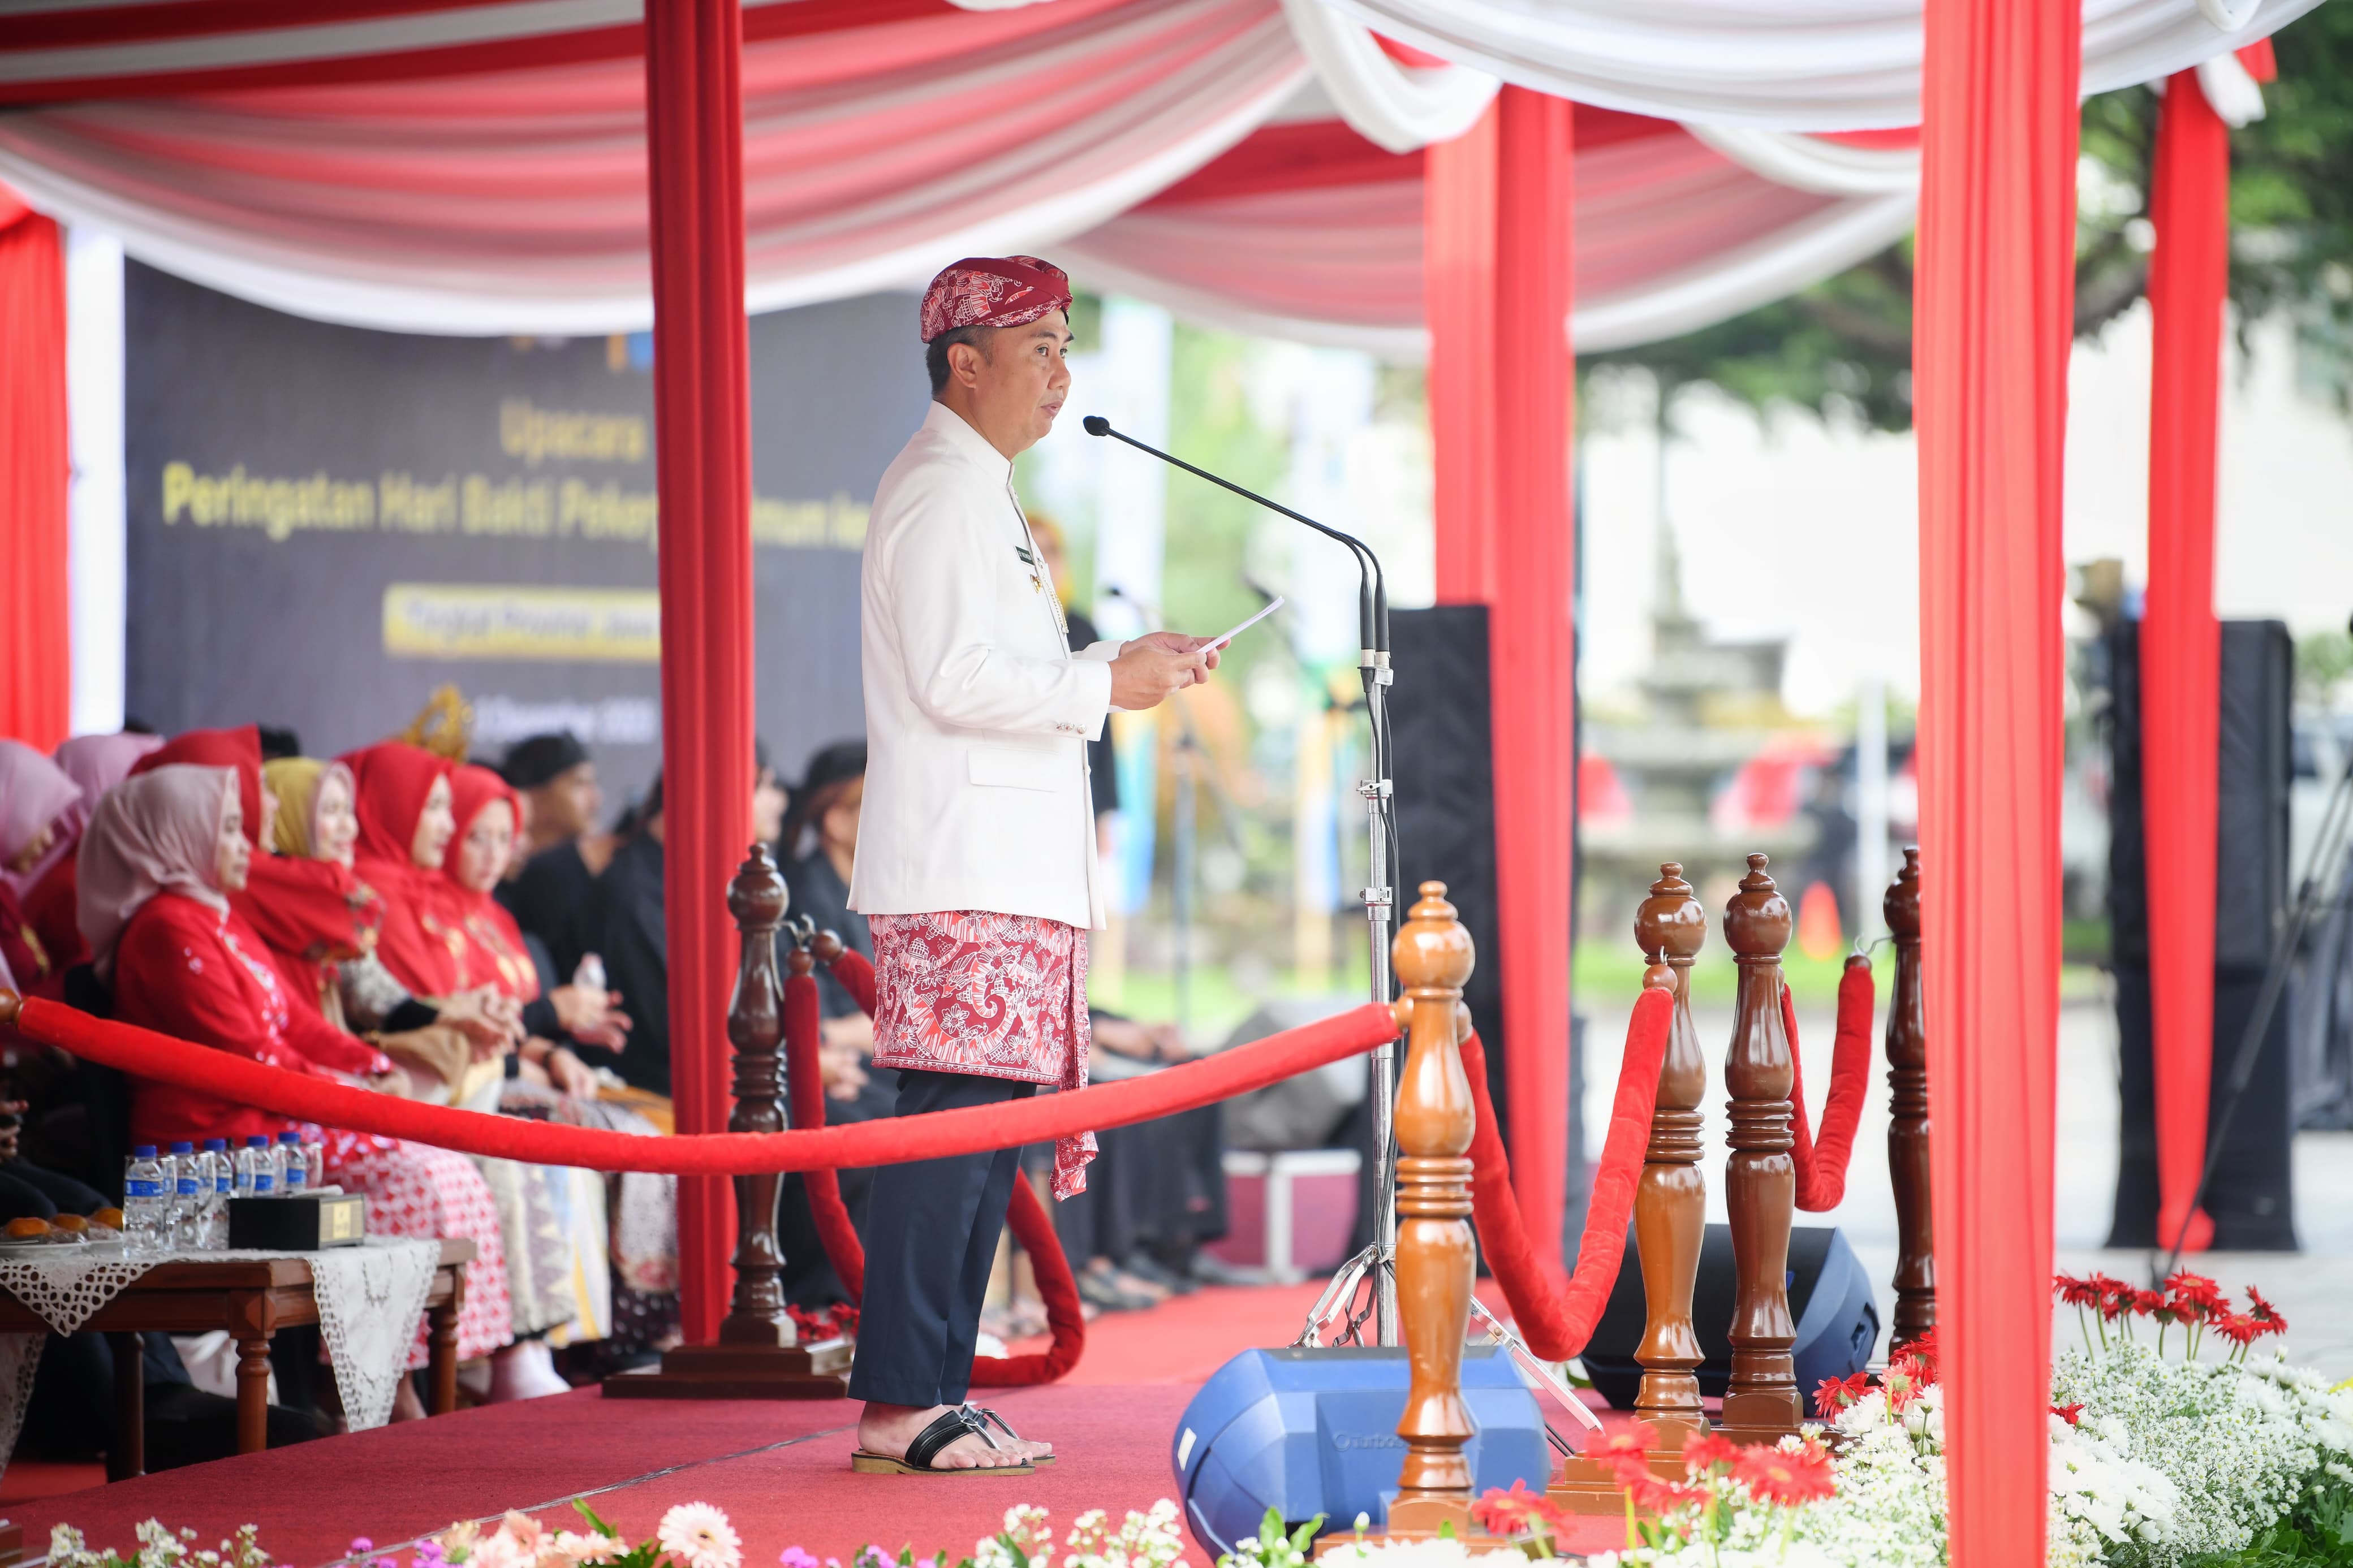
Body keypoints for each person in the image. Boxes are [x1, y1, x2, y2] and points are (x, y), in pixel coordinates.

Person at [846, 255, 1216, 1474]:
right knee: (944, 1142)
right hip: (965, 871)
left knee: (974, 1145)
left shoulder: (981, 490)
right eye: (1042, 346)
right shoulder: (944, 490)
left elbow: (994, 669)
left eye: (1066, 345)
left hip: (998, 870)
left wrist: (1118, 660)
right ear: (965, 359)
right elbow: (955, 682)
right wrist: (1105, 682)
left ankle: (935, 1393)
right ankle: (902, 1403)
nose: (1063, 372)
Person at [80, 764, 520, 1396]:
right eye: (229, 829)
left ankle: (409, 1386)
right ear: (183, 834)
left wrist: (373, 1068)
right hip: (220, 1146)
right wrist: (353, 1093)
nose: (246, 846)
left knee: (440, 1164)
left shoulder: (219, 917)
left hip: (276, 1122)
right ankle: (372, 1392)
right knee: (415, 1175)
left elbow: (296, 1022)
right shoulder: (166, 929)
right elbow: (249, 1058)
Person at [341, 741, 578, 1394]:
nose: (447, 830)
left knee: (566, 1135)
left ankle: (524, 1347)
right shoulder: (367, 896)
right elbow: (384, 1013)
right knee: (515, 1147)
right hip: (389, 1090)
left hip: (439, 1080)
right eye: (436, 810)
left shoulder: (419, 896)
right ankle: (498, 1352)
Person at [499, 733, 615, 982]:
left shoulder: (583, 871)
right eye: (579, 785)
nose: (596, 799)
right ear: (536, 797)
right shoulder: (497, 880)